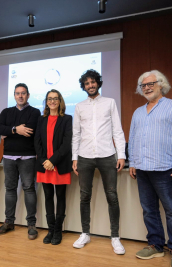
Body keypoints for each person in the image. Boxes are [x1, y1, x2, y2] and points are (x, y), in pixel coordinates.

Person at [128, 70, 172, 267]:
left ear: (161, 84)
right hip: (142, 169)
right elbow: (132, 140)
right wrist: (133, 162)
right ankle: (156, 245)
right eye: (143, 85)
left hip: (166, 169)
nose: (147, 88)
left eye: (151, 84)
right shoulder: (138, 112)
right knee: (149, 210)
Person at [72, 69, 126, 255]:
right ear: (84, 86)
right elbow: (76, 135)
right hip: (85, 156)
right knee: (84, 196)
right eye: (87, 83)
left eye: (93, 82)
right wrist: (74, 157)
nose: (90, 85)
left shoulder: (110, 103)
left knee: (112, 195)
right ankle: (85, 233)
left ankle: (115, 237)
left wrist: (121, 155)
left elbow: (117, 130)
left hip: (107, 155)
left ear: (98, 83)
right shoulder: (79, 106)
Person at [0, 83, 41, 240]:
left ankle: (31, 225)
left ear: (28, 95)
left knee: (29, 188)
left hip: (28, 156)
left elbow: (31, 129)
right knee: (10, 189)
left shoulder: (35, 112)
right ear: (14, 95)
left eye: (23, 93)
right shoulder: (6, 112)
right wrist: (15, 129)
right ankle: (9, 223)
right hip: (8, 157)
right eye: (17, 93)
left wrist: (9, 131)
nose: (20, 96)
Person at [34, 89, 72, 245]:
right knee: (48, 197)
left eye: (55, 98)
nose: (52, 101)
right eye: (49, 99)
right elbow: (37, 142)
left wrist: (53, 161)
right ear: (46, 101)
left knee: (61, 197)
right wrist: (45, 161)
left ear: (60, 101)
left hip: (59, 165)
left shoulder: (67, 119)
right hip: (45, 166)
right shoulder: (41, 119)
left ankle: (58, 231)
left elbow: (66, 144)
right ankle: (50, 230)